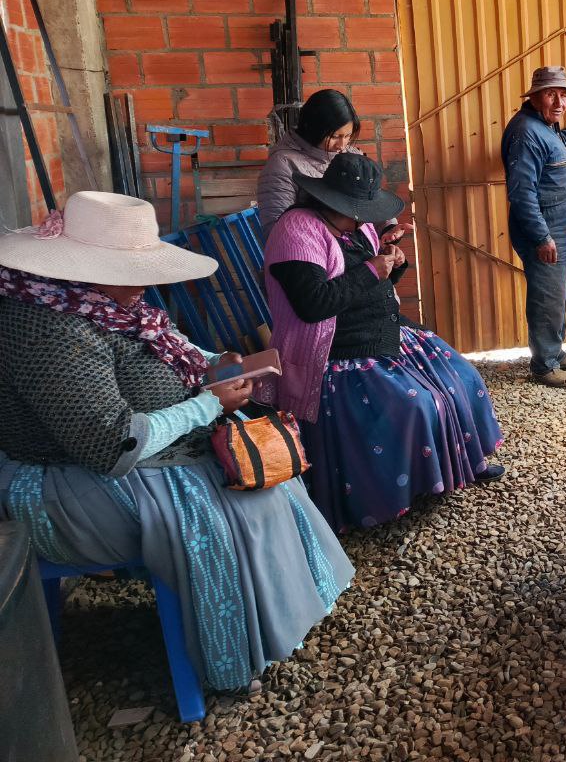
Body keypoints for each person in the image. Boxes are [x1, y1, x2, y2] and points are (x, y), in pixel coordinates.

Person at [0, 191, 353, 692]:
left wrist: (217, 364)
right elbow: (112, 444)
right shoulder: (47, 327)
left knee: (264, 476)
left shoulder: (100, 304)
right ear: (80, 266)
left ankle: (282, 615)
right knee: (219, 512)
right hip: (64, 484)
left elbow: (170, 347)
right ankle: (230, 661)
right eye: (131, 271)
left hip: (132, 457)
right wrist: (209, 407)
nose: (143, 285)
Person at [263, 153, 505, 533]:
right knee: (417, 405)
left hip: (382, 330)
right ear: (329, 201)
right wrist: (372, 269)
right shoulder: (297, 231)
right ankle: (400, 494)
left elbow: (378, 280)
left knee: (463, 376)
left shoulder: (354, 228)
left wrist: (392, 260)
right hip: (333, 350)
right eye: (356, 212)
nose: (362, 221)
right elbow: (313, 306)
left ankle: (455, 467)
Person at [500, 66, 566, 389]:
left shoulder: (545, 126)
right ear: (536, 96)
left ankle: (554, 352)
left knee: (556, 294)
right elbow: (521, 192)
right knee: (546, 298)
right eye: (551, 94)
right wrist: (542, 236)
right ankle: (543, 365)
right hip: (545, 233)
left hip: (559, 233)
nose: (559, 102)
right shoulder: (526, 133)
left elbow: (555, 143)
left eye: (564, 95)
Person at [258, 89, 368, 235]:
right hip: (311, 253)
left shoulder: (351, 154)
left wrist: (388, 229)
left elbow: (370, 200)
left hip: (356, 249)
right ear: (314, 129)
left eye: (347, 136)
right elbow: (277, 231)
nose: (342, 145)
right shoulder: (283, 164)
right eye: (335, 136)